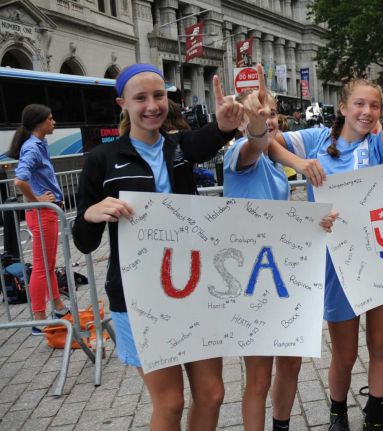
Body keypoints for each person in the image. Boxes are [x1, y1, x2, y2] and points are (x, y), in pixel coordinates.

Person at [268, 21, 383, 431]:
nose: (367, 112)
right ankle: (338, 412)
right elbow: (265, 143)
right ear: (343, 107)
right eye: (359, 104)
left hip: (379, 258)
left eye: (374, 106)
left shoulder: (379, 146)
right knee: (344, 354)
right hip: (335, 264)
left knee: (380, 345)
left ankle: (375, 412)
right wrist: (298, 164)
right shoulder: (314, 140)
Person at [72, 63, 248, 430]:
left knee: (213, 394)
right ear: (122, 103)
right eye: (141, 98)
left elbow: (208, 139)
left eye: (159, 96)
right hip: (139, 297)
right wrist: (91, 213)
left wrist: (225, 125)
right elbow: (83, 242)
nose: (152, 105)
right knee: (169, 403)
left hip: (193, 288)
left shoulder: (179, 146)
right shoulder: (101, 160)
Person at [223, 65, 336, 431]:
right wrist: (256, 127)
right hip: (252, 279)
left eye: (271, 113)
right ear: (242, 120)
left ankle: (282, 426)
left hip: (284, 274)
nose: (266, 119)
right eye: (258, 113)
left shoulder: (275, 167)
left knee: (291, 364)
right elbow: (258, 142)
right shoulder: (240, 154)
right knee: (258, 377)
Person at [8, 104, 69, 334]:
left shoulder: (38, 145)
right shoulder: (33, 147)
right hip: (42, 212)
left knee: (49, 265)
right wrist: (37, 199)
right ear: (39, 123)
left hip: (46, 211)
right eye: (51, 119)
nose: (54, 122)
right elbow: (19, 180)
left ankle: (58, 307)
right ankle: (39, 318)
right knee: (43, 267)